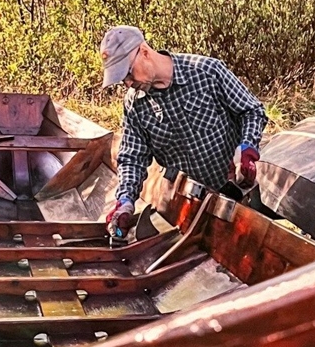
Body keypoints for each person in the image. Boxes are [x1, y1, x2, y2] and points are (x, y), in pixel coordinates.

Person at [99, 26, 267, 239]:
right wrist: (125, 202)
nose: (128, 83)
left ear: (144, 51)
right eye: (122, 80)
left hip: (236, 196)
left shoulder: (207, 72)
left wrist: (248, 149)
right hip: (187, 207)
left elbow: (252, 110)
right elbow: (132, 158)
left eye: (128, 73)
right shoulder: (135, 104)